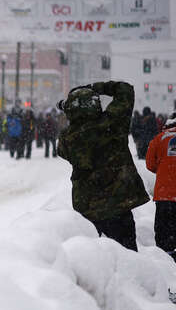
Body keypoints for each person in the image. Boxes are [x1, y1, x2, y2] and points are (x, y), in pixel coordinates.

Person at [57, 81, 148, 251]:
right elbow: (125, 89)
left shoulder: (67, 138)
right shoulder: (114, 123)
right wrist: (94, 88)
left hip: (88, 209)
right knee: (127, 254)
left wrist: (71, 110)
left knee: (94, 257)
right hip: (119, 204)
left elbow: (62, 152)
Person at [145, 113, 176, 259]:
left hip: (164, 194)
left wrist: (164, 168)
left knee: (164, 230)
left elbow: (150, 164)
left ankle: (166, 257)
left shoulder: (158, 139)